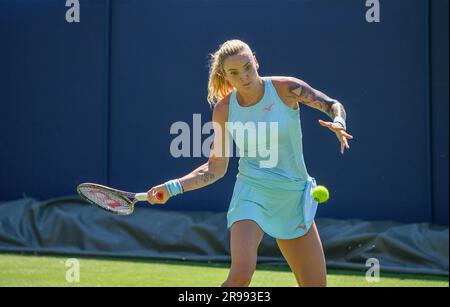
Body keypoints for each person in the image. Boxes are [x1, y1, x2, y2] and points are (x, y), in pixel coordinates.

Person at [147, 39, 353, 287]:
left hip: (292, 196)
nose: (244, 76)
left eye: (247, 67)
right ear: (226, 76)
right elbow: (215, 167)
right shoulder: (224, 110)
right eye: (234, 72)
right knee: (241, 274)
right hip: (251, 193)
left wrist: (339, 121)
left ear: (255, 61)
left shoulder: (287, 88)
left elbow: (332, 105)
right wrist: (170, 188)